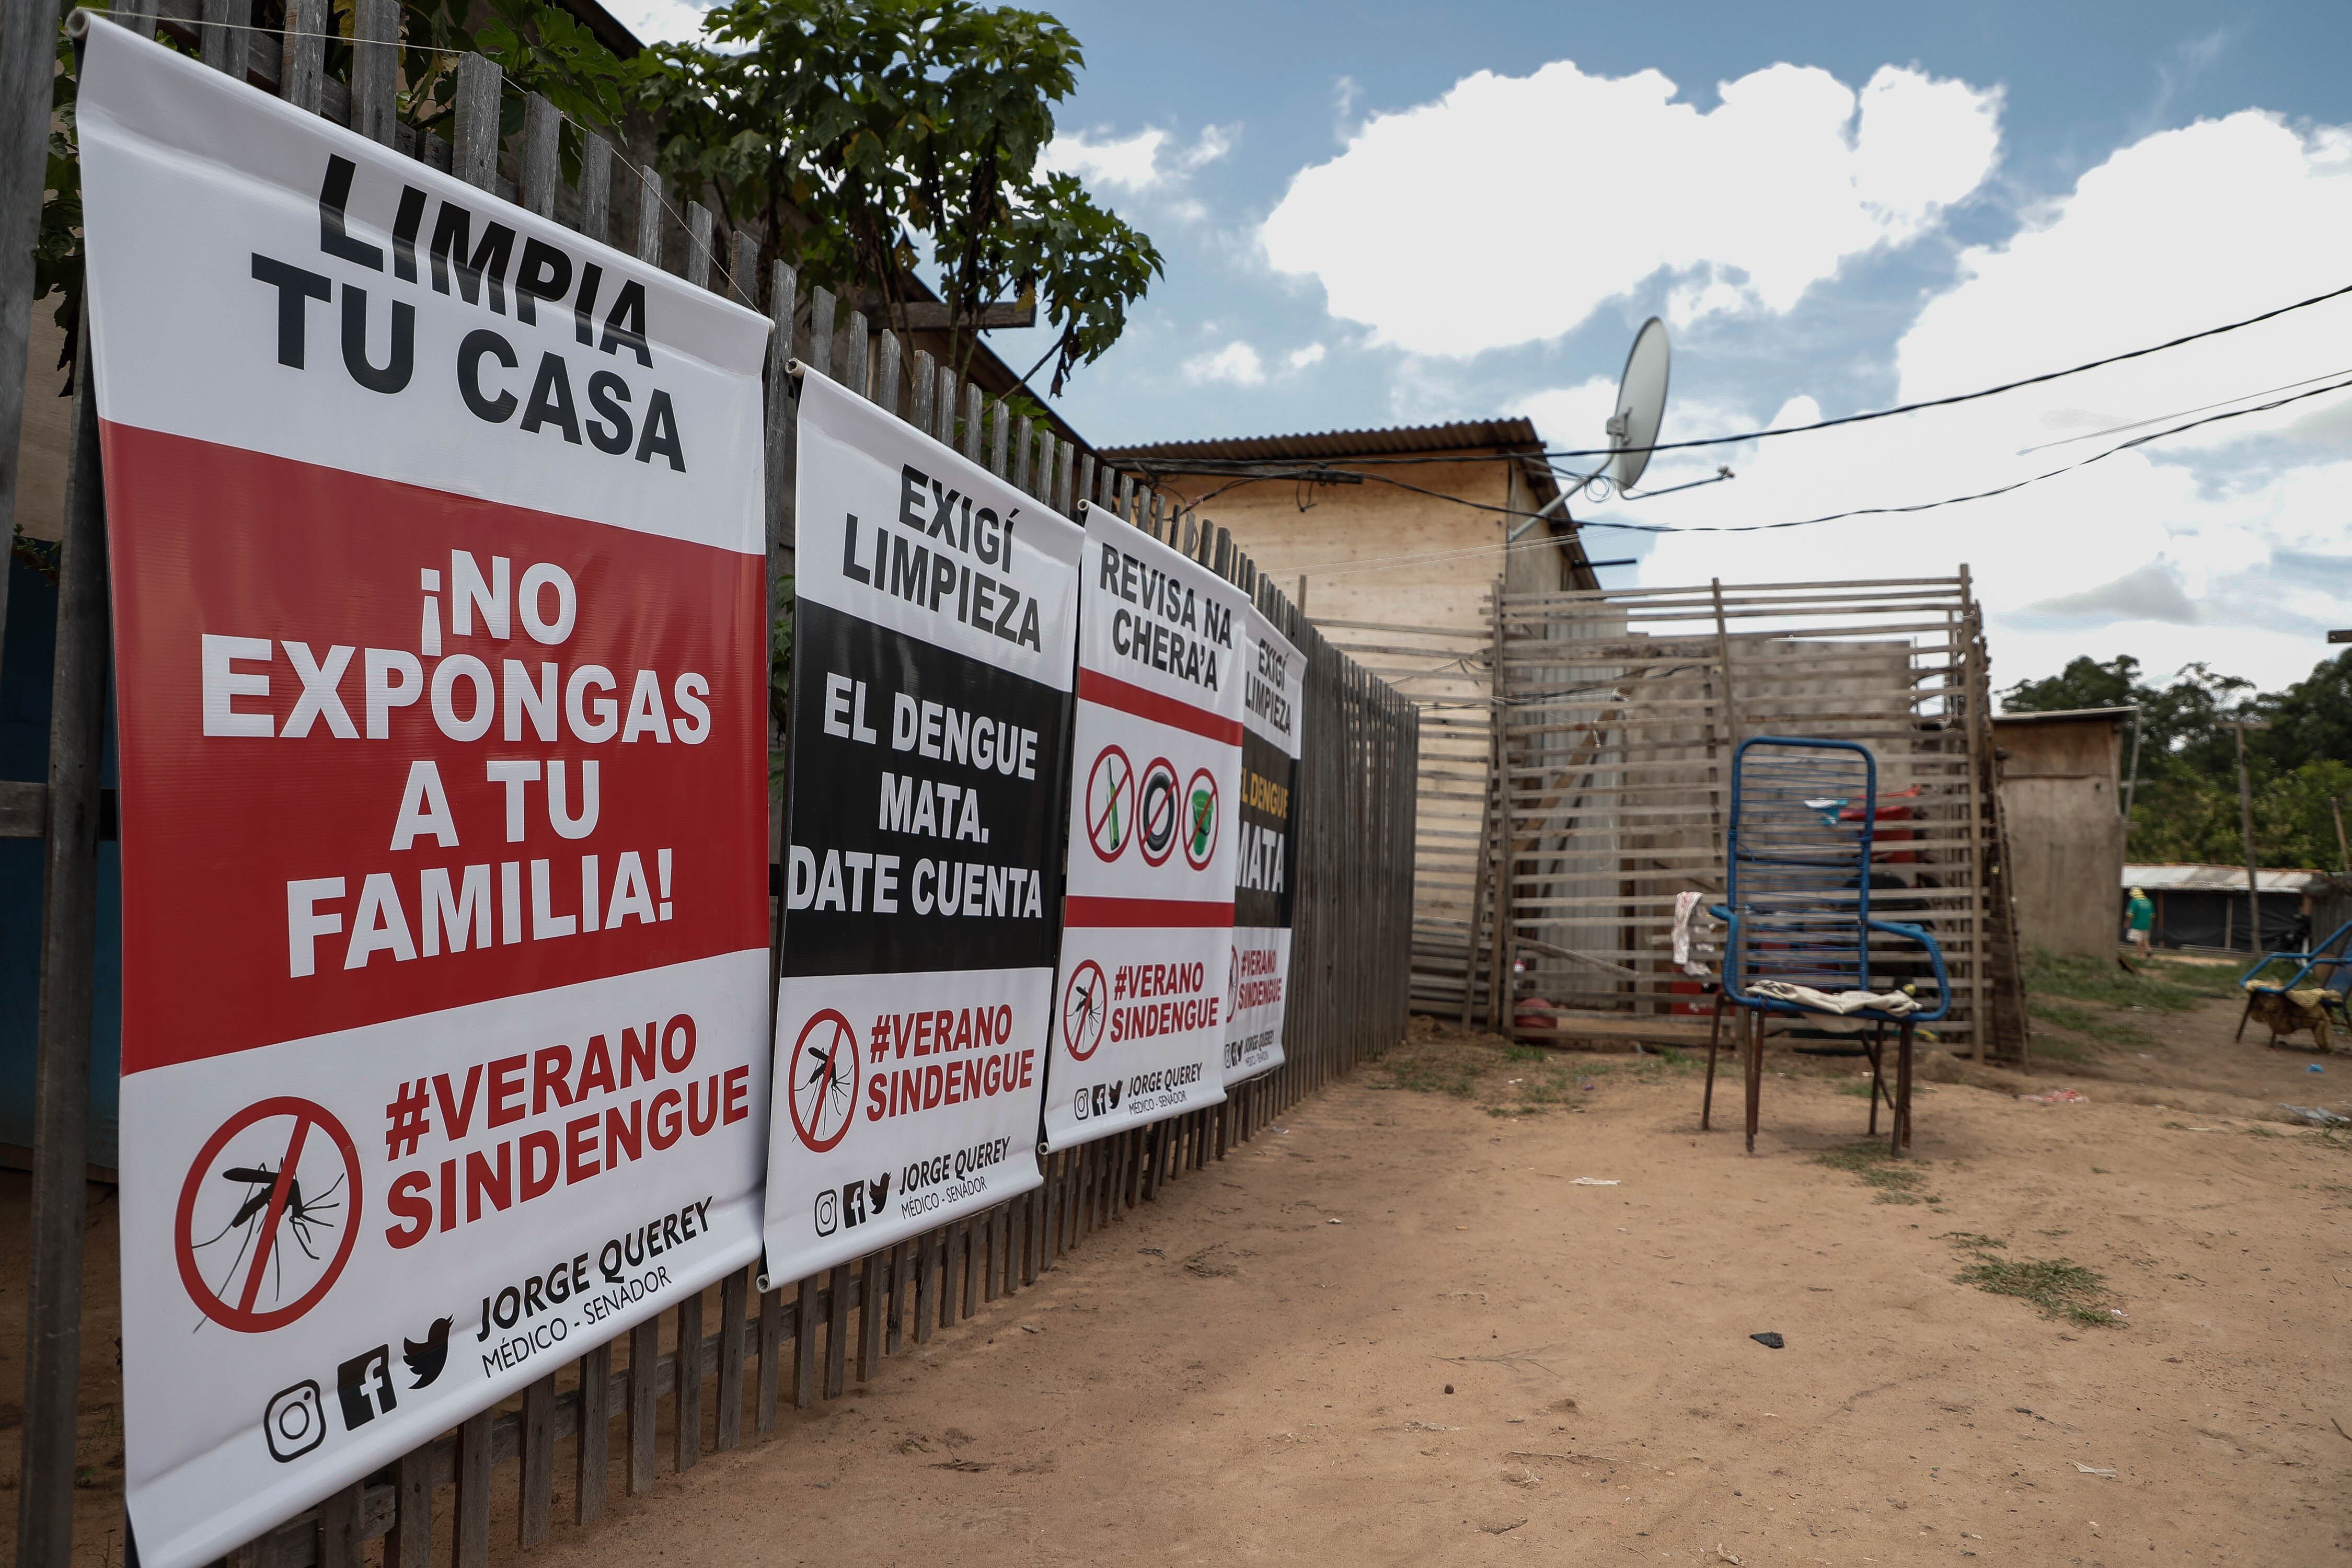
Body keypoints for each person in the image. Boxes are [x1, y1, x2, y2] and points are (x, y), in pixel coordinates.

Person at [2125, 886, 2154, 956]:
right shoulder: (2149, 901)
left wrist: (2127, 922)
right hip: (2147, 924)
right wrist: (2151, 924)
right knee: (2145, 939)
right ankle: (2149, 950)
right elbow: (2152, 915)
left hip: (2136, 924)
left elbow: (2130, 914)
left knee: (2137, 939)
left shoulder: (2135, 901)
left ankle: (2140, 954)